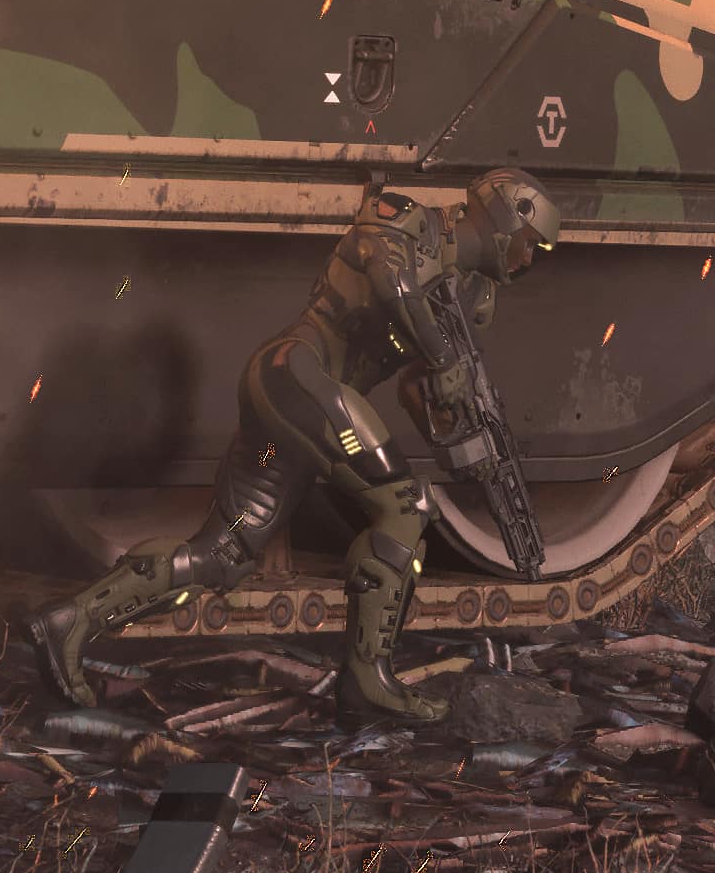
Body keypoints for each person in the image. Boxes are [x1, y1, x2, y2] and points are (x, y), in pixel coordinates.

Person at [30, 171, 558, 728]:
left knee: (224, 554)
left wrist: (461, 434)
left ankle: (70, 621)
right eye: (529, 245)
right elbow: (393, 284)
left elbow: (415, 385)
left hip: (304, 407)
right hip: (297, 374)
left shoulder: (474, 297)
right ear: (505, 219)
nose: (527, 260)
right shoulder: (408, 222)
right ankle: (367, 682)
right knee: (405, 506)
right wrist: (446, 359)